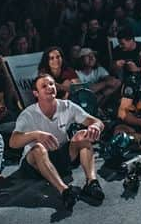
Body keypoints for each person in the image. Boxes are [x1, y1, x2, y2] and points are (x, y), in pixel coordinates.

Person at [10, 75, 104, 210]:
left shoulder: (67, 106)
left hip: (60, 156)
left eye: (52, 84)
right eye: (44, 86)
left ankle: (91, 182)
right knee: (38, 148)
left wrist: (95, 127)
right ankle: (65, 191)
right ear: (36, 93)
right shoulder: (28, 114)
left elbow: (96, 121)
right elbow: (13, 142)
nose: (49, 87)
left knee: (83, 136)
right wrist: (36, 135)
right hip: (35, 165)